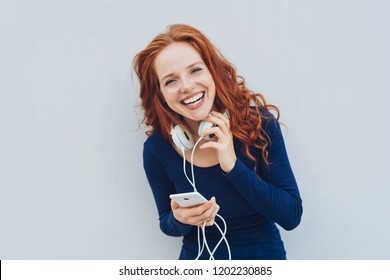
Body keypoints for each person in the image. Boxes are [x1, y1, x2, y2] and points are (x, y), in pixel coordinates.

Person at [133, 24, 303, 260]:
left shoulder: (260, 125)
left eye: (195, 70)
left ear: (212, 71)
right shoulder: (157, 149)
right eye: (171, 81)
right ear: (160, 94)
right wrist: (179, 220)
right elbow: (166, 222)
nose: (187, 86)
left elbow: (291, 216)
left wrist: (232, 165)